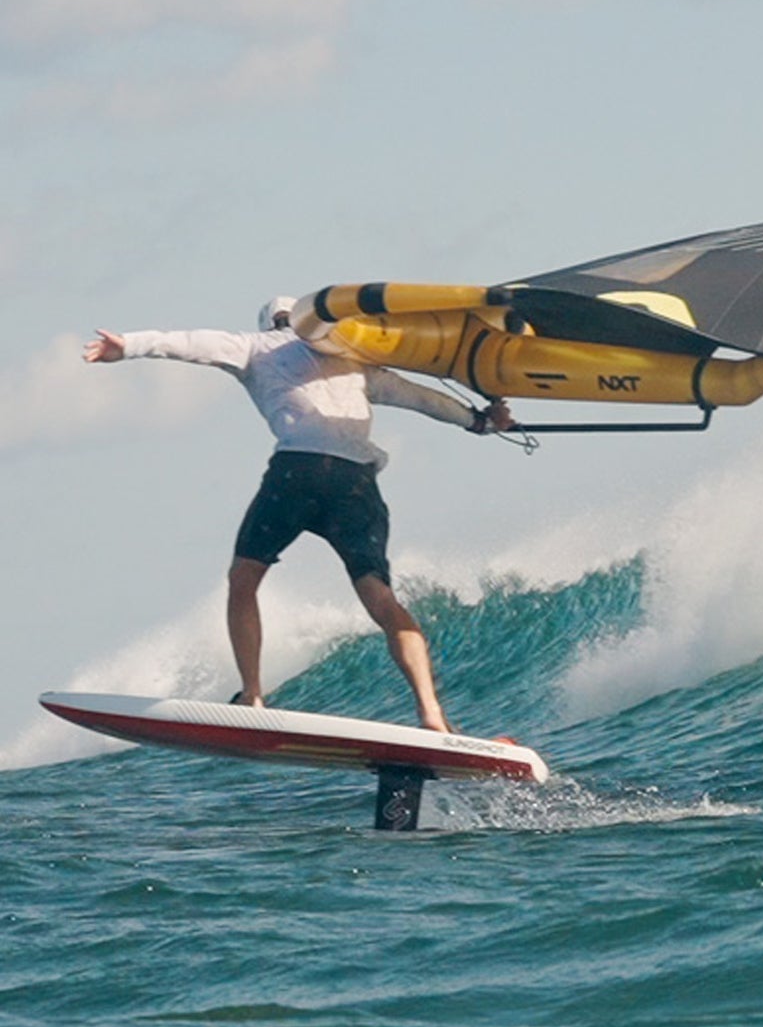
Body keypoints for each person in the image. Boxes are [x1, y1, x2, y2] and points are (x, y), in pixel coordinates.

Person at [83, 297, 513, 731]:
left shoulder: (254, 346)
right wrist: (478, 422)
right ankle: (432, 714)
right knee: (381, 599)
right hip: (355, 482)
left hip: (298, 473)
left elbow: (192, 344)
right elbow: (419, 397)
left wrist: (130, 345)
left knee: (244, 580)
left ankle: (252, 695)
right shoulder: (351, 357)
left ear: (271, 321)